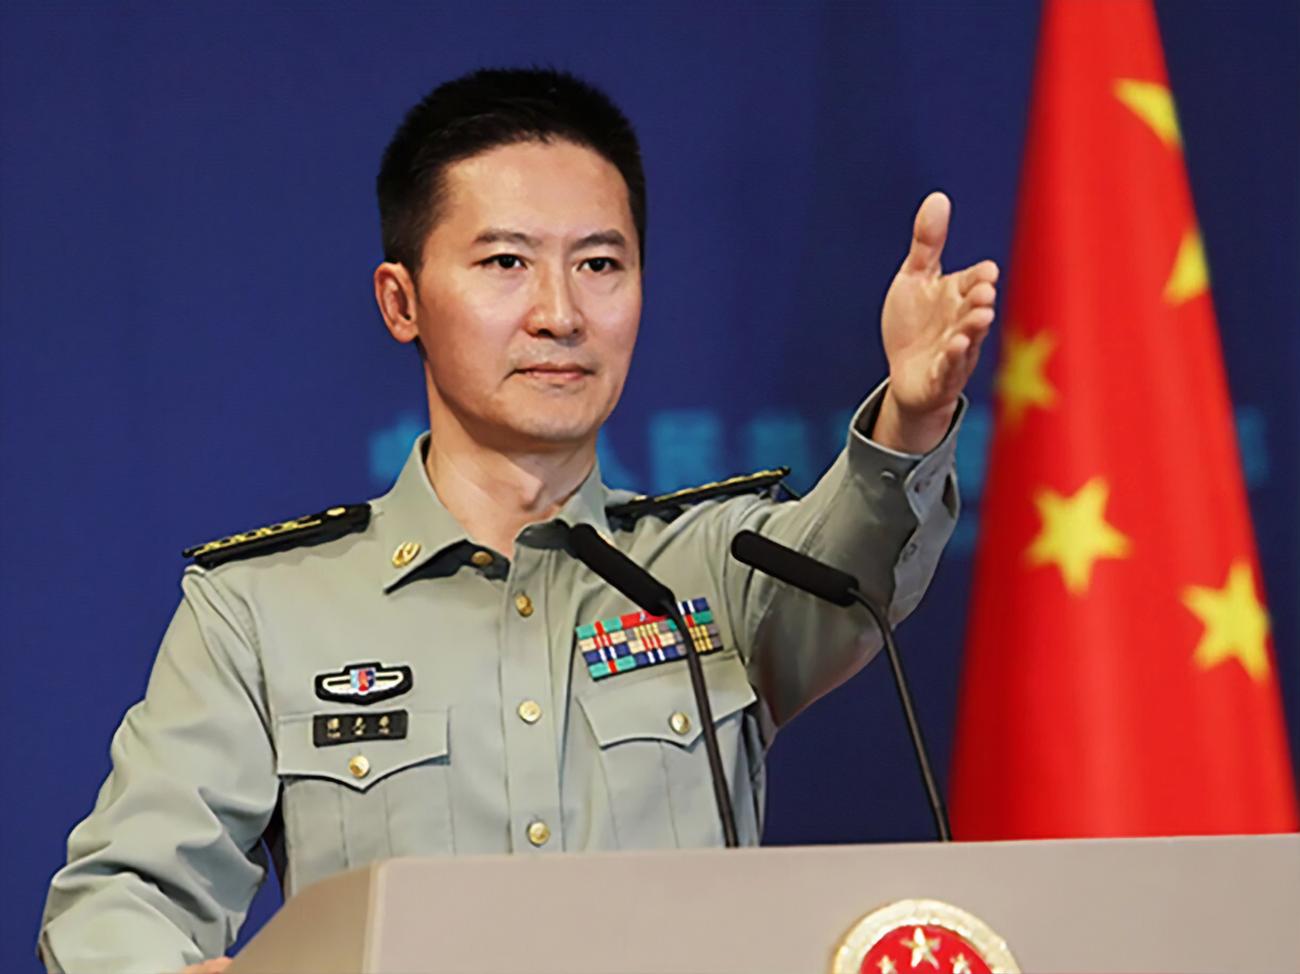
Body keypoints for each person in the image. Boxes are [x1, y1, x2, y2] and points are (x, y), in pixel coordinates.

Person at [38, 67, 998, 974]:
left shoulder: (716, 567)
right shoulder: (263, 611)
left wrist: (912, 420)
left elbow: (860, 559)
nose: (560, 313)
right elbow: (123, 895)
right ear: (402, 301)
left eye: (600, 264)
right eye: (506, 262)